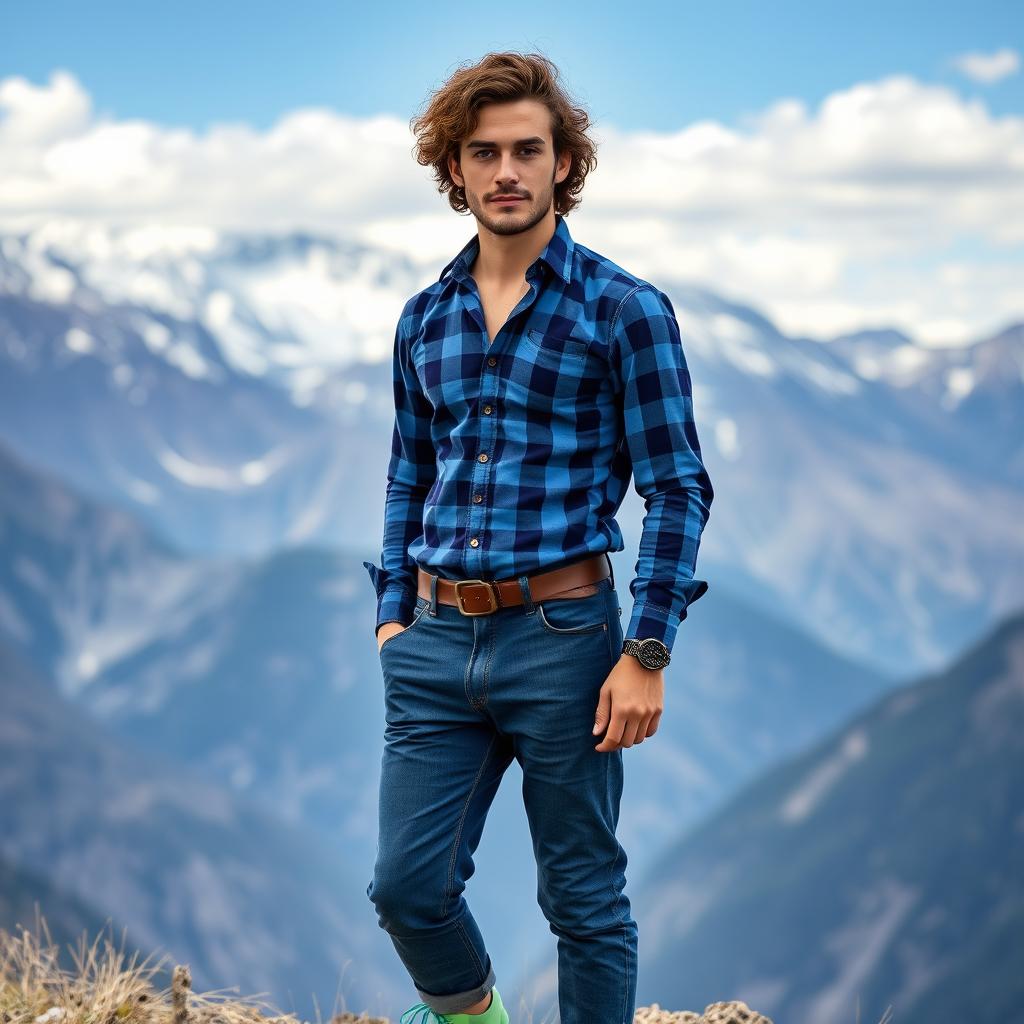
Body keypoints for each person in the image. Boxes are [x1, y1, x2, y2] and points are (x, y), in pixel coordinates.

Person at [362, 50, 714, 1024]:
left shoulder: (625, 310)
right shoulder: (423, 319)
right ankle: (475, 1021)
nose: (506, 170)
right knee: (405, 888)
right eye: (484, 153)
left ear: (565, 164)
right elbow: (408, 472)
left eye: (528, 149)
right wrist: (393, 617)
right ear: (455, 170)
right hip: (432, 640)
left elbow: (677, 487)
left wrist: (645, 650)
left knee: (583, 902)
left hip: (566, 640)